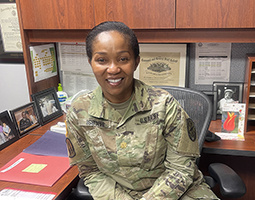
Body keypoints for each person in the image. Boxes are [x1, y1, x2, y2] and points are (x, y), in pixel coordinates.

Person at [65, 21, 219, 200]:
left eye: (123, 59)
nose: (113, 69)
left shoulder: (165, 105)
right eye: (101, 60)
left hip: (178, 191)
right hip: (118, 194)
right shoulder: (79, 112)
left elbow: (180, 169)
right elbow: (90, 171)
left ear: (136, 61)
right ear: (91, 62)